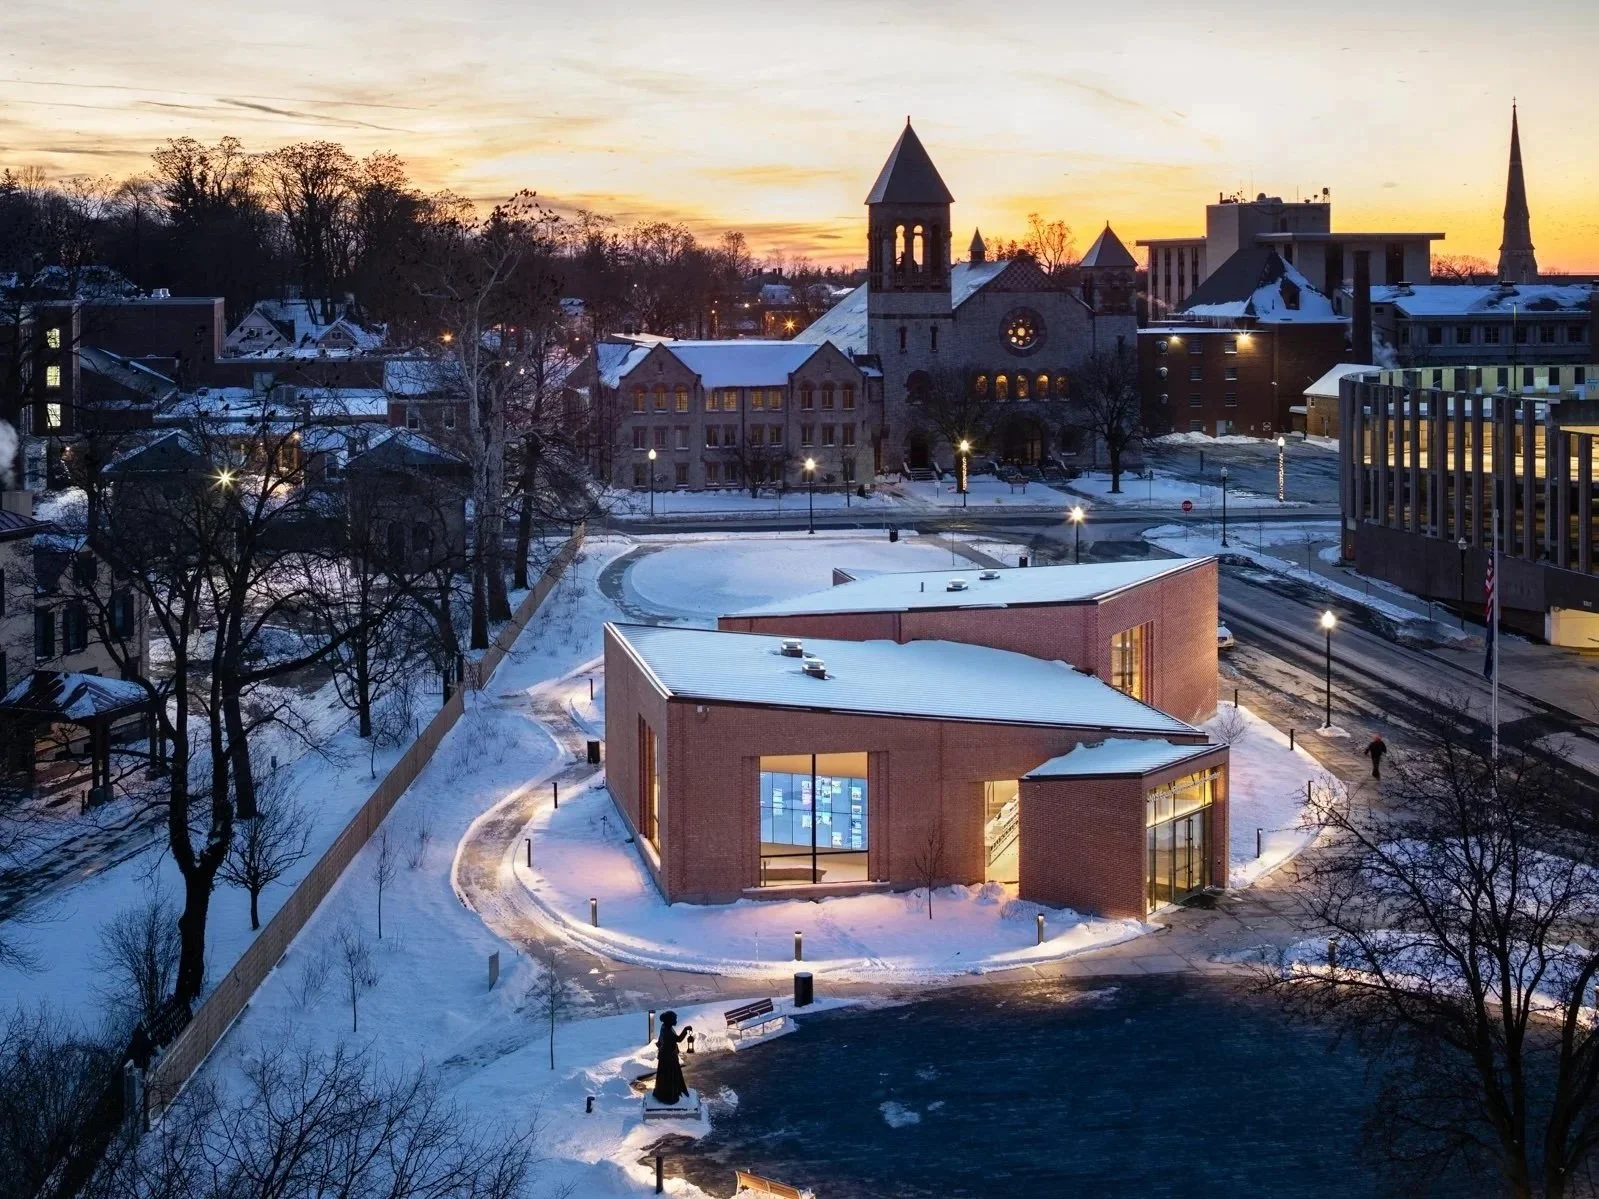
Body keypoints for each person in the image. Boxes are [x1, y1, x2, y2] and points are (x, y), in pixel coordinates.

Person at [652, 1010, 694, 1105]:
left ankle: (672, 1091)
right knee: (669, 1077)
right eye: (675, 1019)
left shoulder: (665, 1027)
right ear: (669, 1020)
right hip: (668, 1059)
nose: (676, 1021)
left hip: (667, 1057)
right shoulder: (668, 1032)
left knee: (667, 1076)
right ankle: (669, 1096)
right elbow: (678, 1039)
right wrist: (685, 1030)